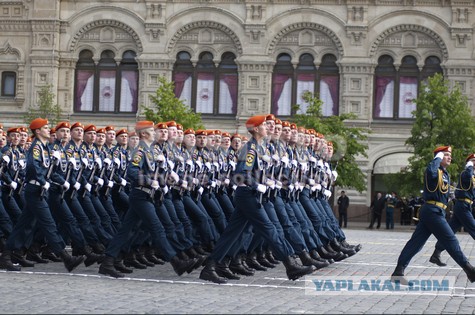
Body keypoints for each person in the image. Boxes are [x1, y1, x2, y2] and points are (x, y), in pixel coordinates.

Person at [199, 115, 315, 284]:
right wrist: (256, 185)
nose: (268, 128)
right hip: (248, 195)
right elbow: (239, 174)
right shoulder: (250, 149)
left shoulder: (262, 149)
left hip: (253, 195)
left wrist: (270, 180)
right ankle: (291, 265)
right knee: (269, 229)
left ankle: (211, 267)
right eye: (264, 125)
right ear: (255, 129)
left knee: (233, 234)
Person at [391, 146, 475, 284]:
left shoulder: (445, 173)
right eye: (446, 155)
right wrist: (437, 158)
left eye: (449, 155)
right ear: (439, 157)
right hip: (432, 211)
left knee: (416, 244)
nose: (449, 157)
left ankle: (398, 272)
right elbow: (430, 172)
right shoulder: (434, 169)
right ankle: (469, 270)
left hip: (436, 211)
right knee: (451, 240)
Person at [429, 153, 475, 267]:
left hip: (466, 206)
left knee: (449, 231)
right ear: (469, 162)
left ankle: (436, 253)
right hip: (462, 205)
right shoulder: (466, 173)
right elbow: (468, 176)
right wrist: (469, 166)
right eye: (473, 160)